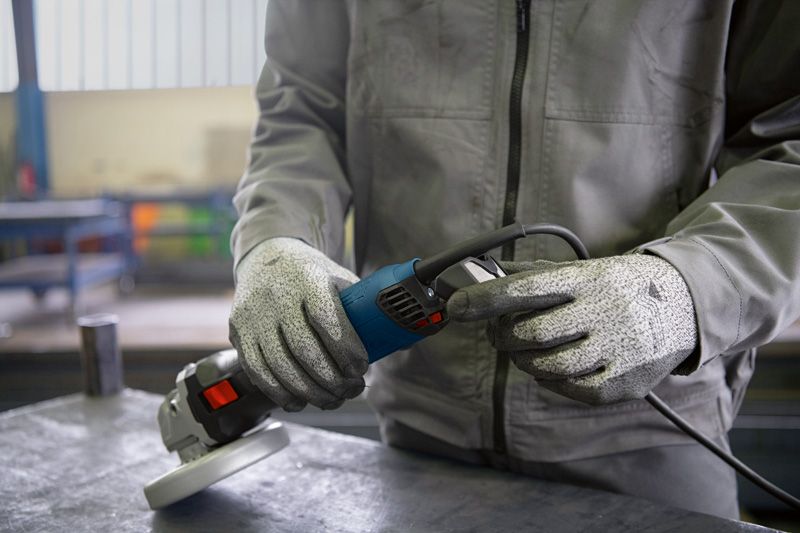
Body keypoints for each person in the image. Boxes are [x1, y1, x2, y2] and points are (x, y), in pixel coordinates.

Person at [228, 1, 800, 520]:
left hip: (653, 427)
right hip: (421, 428)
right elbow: (302, 109)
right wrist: (277, 241)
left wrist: (687, 287)